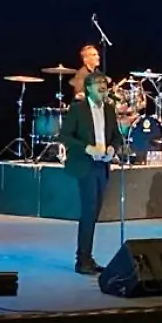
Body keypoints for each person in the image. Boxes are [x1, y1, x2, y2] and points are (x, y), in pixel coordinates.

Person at [59, 72, 138, 274]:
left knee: (94, 212)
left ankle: (87, 257)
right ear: (88, 88)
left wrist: (112, 148)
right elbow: (65, 136)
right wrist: (87, 148)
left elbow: (116, 136)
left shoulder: (109, 109)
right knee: (89, 210)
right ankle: (82, 260)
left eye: (104, 82)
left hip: (102, 165)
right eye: (98, 83)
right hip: (85, 164)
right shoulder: (78, 109)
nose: (103, 86)